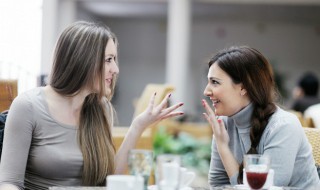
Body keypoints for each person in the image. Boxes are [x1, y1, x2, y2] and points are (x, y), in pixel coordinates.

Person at [0, 21, 184, 190]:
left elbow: (108, 180)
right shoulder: (27, 106)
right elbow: (9, 183)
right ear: (83, 60)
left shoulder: (100, 108)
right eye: (108, 60)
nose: (116, 69)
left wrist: (138, 126)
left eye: (115, 60)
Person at [201, 46, 320, 189]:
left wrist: (223, 147)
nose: (206, 91)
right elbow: (218, 185)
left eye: (215, 82)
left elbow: (262, 189)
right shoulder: (224, 123)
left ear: (244, 87)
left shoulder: (283, 126)